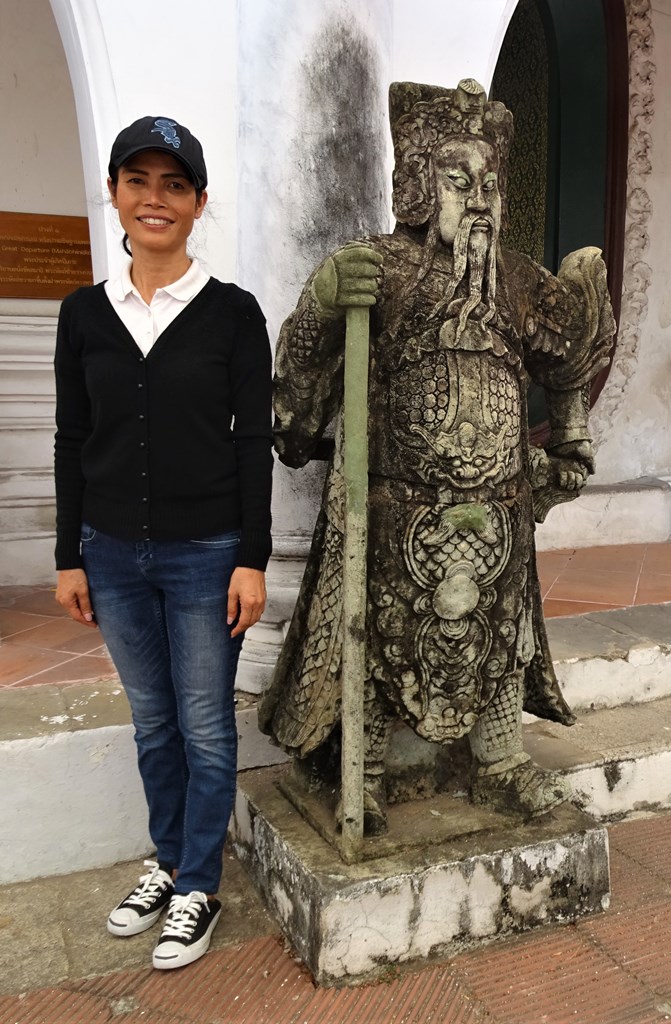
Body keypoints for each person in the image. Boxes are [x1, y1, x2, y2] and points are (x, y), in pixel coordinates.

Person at [260, 80, 614, 837]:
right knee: (375, 628)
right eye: (460, 181)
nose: (478, 198)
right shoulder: (381, 267)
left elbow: (568, 355)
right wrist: (323, 304)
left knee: (500, 630)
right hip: (392, 503)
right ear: (423, 185)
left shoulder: (516, 280)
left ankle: (496, 761)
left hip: (500, 503)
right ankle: (365, 769)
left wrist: (572, 439)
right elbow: (299, 380)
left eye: (489, 183)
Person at [54, 116, 273, 968]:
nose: (155, 198)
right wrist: (71, 554)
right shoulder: (83, 313)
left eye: (174, 185)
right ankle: (171, 860)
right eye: (138, 180)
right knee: (153, 725)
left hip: (204, 555)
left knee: (206, 727)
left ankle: (198, 887)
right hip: (110, 554)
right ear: (114, 193)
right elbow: (75, 437)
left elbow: (252, 440)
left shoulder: (231, 314)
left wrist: (251, 556)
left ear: (197, 204)